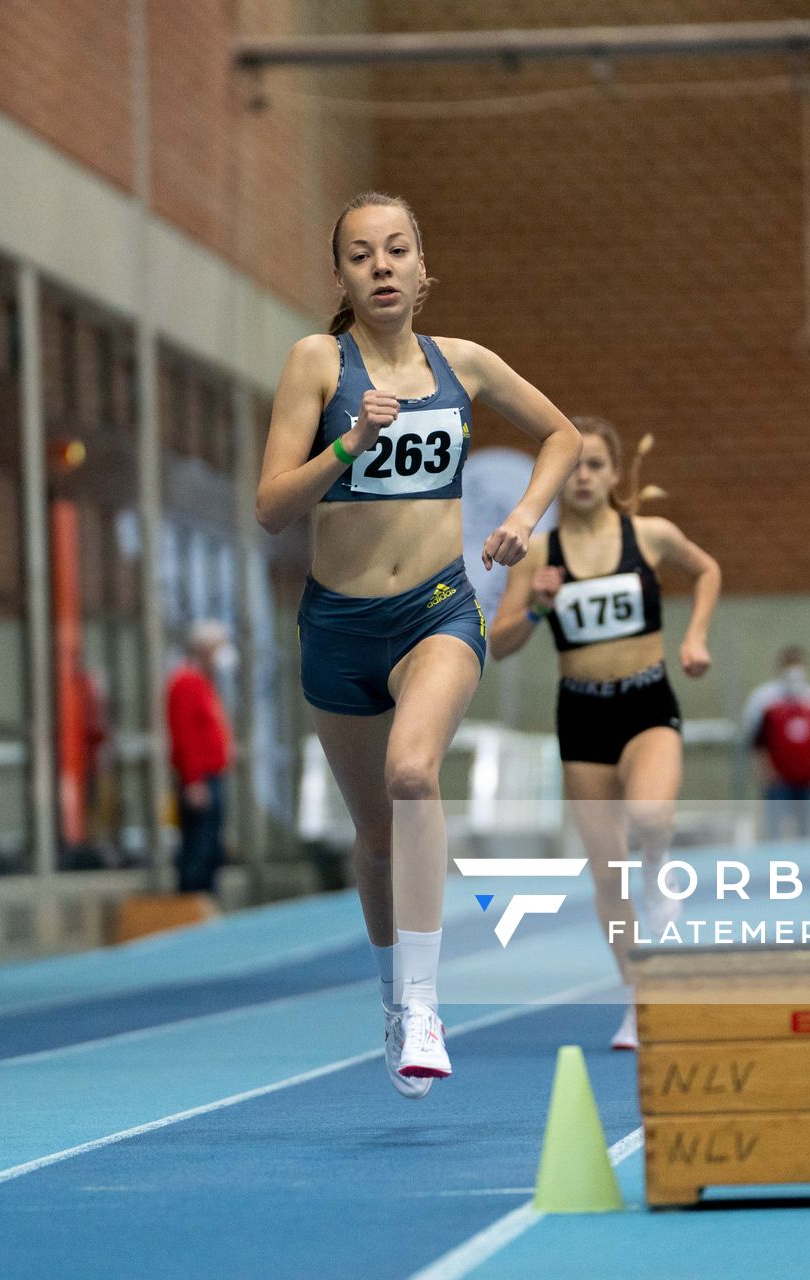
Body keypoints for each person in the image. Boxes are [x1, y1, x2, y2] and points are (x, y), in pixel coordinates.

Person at [256, 192, 580, 1097]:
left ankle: (429, 1004)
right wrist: (350, 445)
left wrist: (521, 517)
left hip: (437, 611)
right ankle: (396, 996)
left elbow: (561, 434)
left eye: (397, 250)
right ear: (341, 277)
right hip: (338, 624)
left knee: (411, 774)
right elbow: (272, 506)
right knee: (372, 836)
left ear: (423, 266)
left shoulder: (464, 363)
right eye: (362, 255)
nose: (382, 266)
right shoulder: (317, 362)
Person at [489, 418, 720, 1052]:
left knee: (650, 819)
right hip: (582, 715)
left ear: (615, 475)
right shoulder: (538, 553)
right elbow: (499, 644)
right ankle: (638, 998)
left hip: (646, 703)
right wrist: (536, 605)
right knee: (606, 873)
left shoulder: (649, 535)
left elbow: (707, 572)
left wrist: (695, 637)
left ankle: (663, 877)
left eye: (594, 465)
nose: (583, 476)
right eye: (573, 466)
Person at [166, 619, 235, 895]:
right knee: (199, 847)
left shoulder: (203, 682)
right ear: (204, 650)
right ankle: (192, 901)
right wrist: (194, 781)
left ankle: (204, 899)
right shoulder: (185, 683)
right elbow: (186, 737)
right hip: (200, 780)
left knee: (211, 847)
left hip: (211, 776)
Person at [742, 646, 810, 841]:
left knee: (807, 832)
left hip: (807, 776)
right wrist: (762, 768)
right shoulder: (764, 699)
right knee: (776, 832)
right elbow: (756, 740)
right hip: (777, 778)